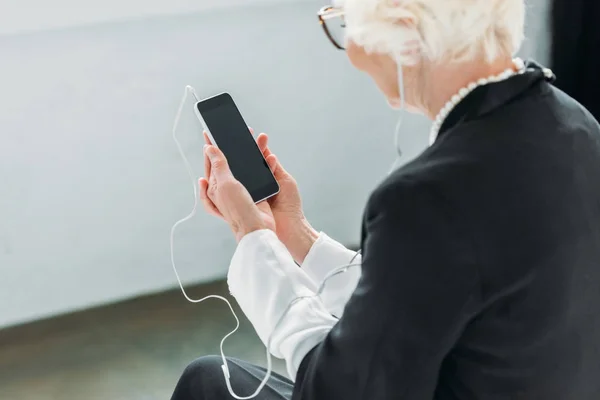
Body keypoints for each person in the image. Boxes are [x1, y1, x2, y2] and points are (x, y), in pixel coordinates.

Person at [171, 0, 600, 399]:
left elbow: (336, 391)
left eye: (346, 25)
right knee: (211, 377)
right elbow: (426, 287)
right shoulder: (575, 124)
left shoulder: (425, 198)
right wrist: (295, 236)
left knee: (206, 383)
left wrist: (253, 237)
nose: (352, 53)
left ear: (407, 35)